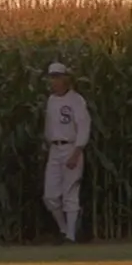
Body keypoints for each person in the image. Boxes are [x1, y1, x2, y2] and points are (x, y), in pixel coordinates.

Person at [42, 62, 91, 243]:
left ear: (66, 79)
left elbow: (84, 126)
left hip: (72, 148)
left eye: (57, 77)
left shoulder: (76, 100)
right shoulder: (52, 100)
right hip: (55, 149)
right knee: (50, 196)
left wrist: (77, 151)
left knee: (70, 192)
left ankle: (70, 235)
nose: (53, 81)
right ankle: (63, 230)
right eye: (51, 77)